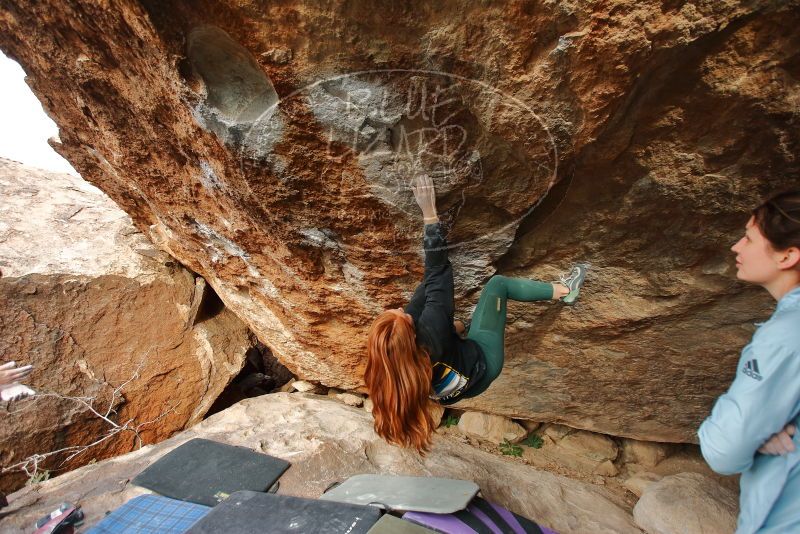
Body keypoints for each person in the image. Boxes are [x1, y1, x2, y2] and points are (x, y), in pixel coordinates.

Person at [364, 175, 587, 453]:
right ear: (411, 332)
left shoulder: (392, 362)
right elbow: (438, 273)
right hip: (483, 366)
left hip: (453, 387)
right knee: (498, 286)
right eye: (399, 314)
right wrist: (430, 215)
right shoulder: (430, 330)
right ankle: (565, 290)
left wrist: (445, 321)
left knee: (455, 325)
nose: (399, 309)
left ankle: (456, 335)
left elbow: (427, 289)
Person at [698, 189, 800, 533]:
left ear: (787, 256)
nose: (736, 247)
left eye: (748, 238)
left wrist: (756, 435)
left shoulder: (786, 334)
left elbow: (724, 447)